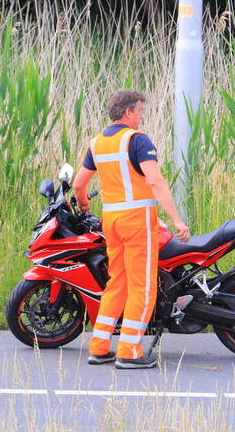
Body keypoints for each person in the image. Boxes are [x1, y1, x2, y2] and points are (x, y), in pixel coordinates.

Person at [73, 90, 191, 369]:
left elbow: (80, 185)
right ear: (128, 113)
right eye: (139, 111)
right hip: (137, 221)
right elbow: (155, 181)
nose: (140, 116)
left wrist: (83, 206)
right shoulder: (137, 140)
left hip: (111, 222)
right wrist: (177, 220)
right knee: (144, 286)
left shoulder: (97, 144)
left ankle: (99, 346)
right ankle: (129, 351)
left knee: (117, 283)